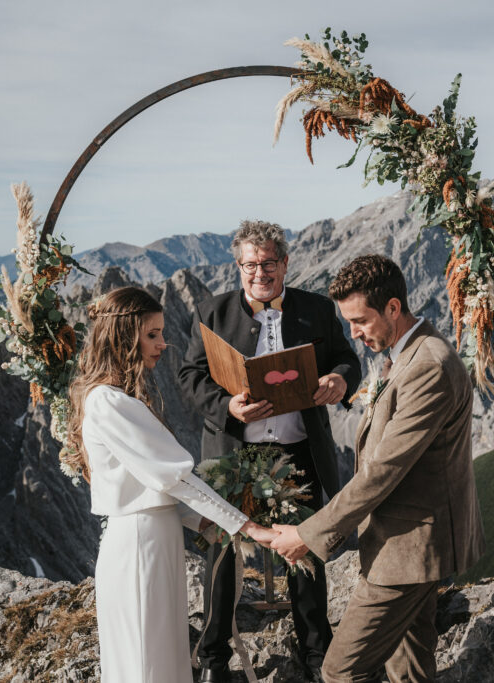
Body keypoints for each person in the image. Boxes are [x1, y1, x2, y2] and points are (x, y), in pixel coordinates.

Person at [271, 254, 486, 683]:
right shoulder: (405, 353)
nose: (353, 333)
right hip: (407, 542)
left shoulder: (428, 365)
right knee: (409, 670)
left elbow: (384, 470)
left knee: (341, 671)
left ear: (392, 307)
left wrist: (309, 534)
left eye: (360, 320)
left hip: (410, 547)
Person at [178, 220, 361, 682]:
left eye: (269, 263)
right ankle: (214, 658)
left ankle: (318, 653)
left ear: (285, 263)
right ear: (238, 267)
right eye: (250, 264)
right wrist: (228, 406)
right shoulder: (212, 312)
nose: (260, 272)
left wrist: (339, 380)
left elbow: (347, 359)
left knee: (305, 554)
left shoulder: (317, 310)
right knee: (221, 559)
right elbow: (189, 377)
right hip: (233, 456)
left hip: (297, 452)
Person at [64, 286, 276, 683]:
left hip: (154, 538)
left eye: (161, 332)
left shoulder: (116, 399)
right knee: (147, 660)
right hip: (140, 545)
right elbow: (173, 477)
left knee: (161, 654)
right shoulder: (108, 402)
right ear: (123, 336)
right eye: (152, 334)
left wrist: (203, 523)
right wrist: (247, 527)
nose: (163, 343)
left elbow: (152, 482)